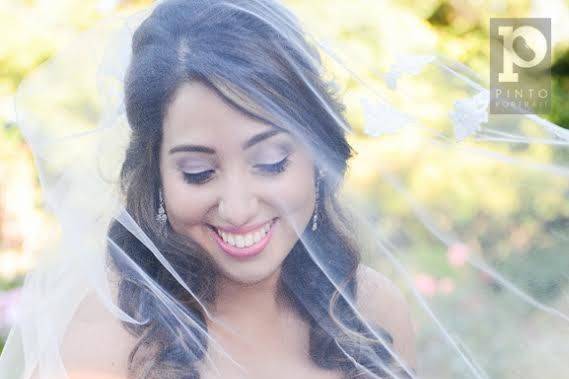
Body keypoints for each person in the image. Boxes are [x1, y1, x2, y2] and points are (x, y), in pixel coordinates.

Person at [2, 1, 569, 379]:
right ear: (156, 174)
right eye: (198, 172)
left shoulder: (372, 313)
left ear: (317, 157)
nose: (240, 205)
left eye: (271, 161)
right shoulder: (108, 346)